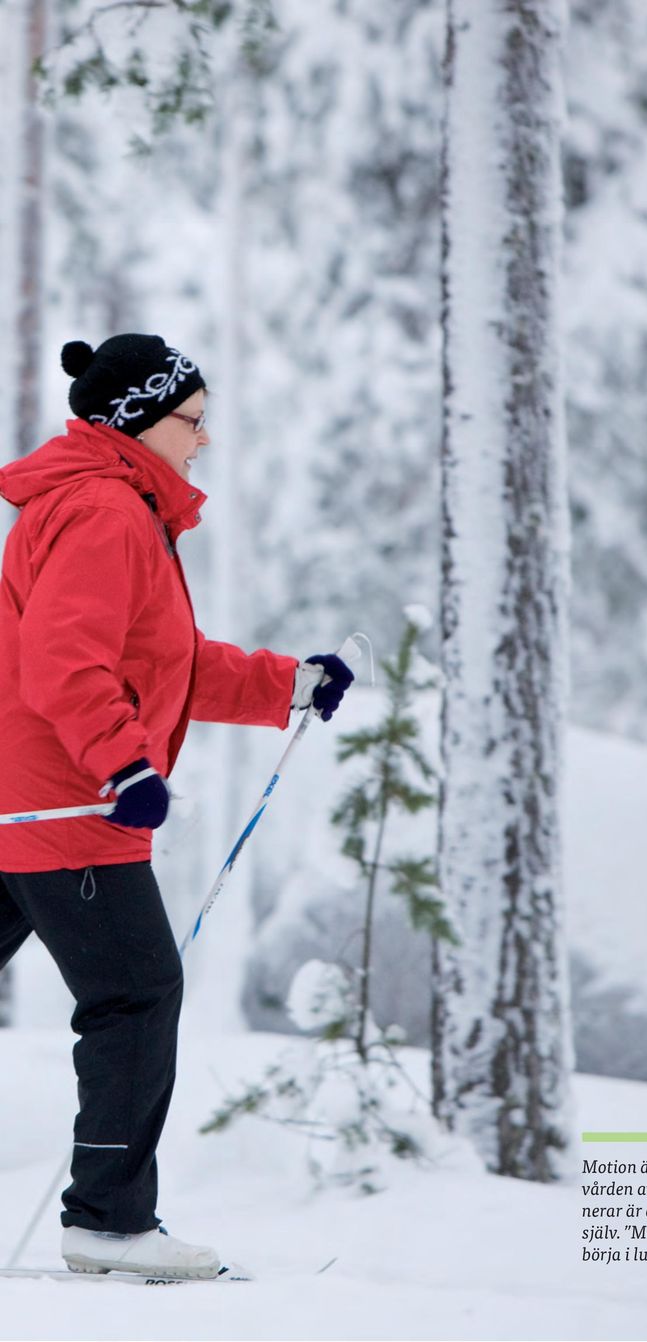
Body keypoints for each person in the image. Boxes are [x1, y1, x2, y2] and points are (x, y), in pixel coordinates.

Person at [0, 334, 354, 1279]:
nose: (203, 441)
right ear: (137, 421)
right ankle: (109, 1223)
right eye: (192, 422)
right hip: (66, 806)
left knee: (129, 991)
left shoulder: (105, 509)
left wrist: (287, 683)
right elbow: (67, 662)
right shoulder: (107, 513)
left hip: (25, 797)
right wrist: (122, 768)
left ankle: (109, 1217)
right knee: (135, 993)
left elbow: (168, 662)